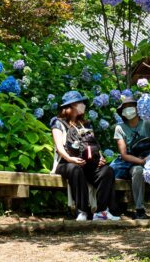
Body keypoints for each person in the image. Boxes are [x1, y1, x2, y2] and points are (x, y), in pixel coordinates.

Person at [50, 91, 120, 221]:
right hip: (66, 163)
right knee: (75, 169)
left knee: (107, 171)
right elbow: (59, 148)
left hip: (88, 164)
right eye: (80, 103)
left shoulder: (85, 124)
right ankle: (81, 211)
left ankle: (101, 212)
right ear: (71, 106)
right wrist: (71, 159)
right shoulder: (58, 123)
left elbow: (92, 144)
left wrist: (100, 158)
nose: (83, 105)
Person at [113, 97, 150, 219]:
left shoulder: (147, 123)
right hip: (133, 162)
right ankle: (139, 209)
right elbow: (124, 154)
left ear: (138, 109)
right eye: (125, 108)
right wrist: (141, 161)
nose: (128, 110)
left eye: (130, 107)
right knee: (138, 171)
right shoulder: (120, 128)